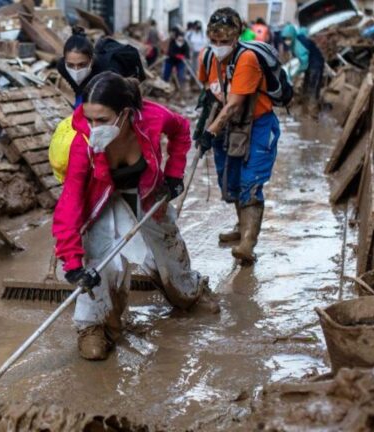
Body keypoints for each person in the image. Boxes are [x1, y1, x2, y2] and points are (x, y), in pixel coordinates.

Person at [53, 72, 210, 361]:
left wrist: (174, 174)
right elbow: (70, 202)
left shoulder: (152, 118)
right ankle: (96, 326)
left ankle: (189, 291)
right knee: (102, 264)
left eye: (102, 120)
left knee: (169, 256)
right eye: (89, 118)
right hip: (103, 201)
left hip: (148, 194)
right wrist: (73, 262)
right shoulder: (83, 143)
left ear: (125, 114)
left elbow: (181, 130)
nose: (93, 127)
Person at [196, 7, 281, 264]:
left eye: (225, 41)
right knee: (232, 181)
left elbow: (233, 105)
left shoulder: (246, 60)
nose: (219, 46)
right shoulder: (208, 57)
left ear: (236, 38)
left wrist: (211, 131)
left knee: (251, 183)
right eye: (215, 41)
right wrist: (202, 126)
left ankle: (247, 244)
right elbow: (209, 91)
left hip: (258, 125)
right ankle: (241, 226)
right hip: (228, 127)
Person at [57, 27, 146, 107]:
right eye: (71, 65)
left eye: (82, 65)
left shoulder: (110, 71)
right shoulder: (62, 67)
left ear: (92, 60)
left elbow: (122, 101)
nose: (76, 70)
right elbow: (77, 87)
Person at [281, 23, 325, 110]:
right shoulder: (294, 43)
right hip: (310, 64)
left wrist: (295, 73)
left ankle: (312, 110)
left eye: (289, 38)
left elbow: (304, 63)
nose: (287, 41)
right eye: (285, 39)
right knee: (306, 85)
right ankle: (305, 107)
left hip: (316, 64)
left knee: (313, 86)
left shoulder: (299, 44)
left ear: (293, 36)